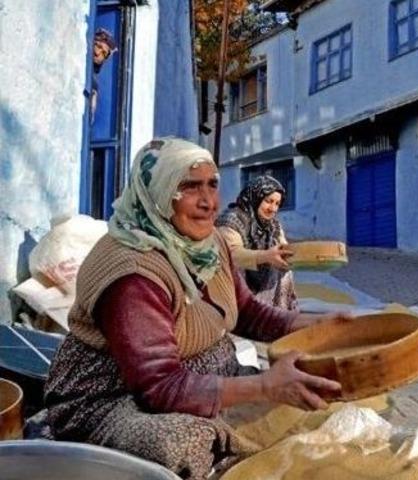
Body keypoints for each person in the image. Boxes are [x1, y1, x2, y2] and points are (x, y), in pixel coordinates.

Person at [43, 138, 349, 479]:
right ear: (157, 192)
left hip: (208, 376)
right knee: (180, 444)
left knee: (308, 406)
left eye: (212, 185)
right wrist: (264, 386)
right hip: (114, 398)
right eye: (189, 187)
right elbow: (159, 386)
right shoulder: (132, 273)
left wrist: (314, 324)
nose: (208, 202)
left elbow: (245, 310)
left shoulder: (208, 242)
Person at [216, 176, 298, 311]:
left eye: (277, 204)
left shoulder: (273, 226)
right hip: (232, 289)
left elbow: (284, 248)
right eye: (268, 201)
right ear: (255, 198)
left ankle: (278, 312)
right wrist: (266, 256)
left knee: (283, 268)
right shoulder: (232, 220)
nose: (273, 208)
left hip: (261, 286)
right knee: (237, 269)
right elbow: (232, 254)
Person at [90, 28, 117, 123]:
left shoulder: (93, 86)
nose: (97, 53)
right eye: (97, 46)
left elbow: (90, 116)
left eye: (103, 53)